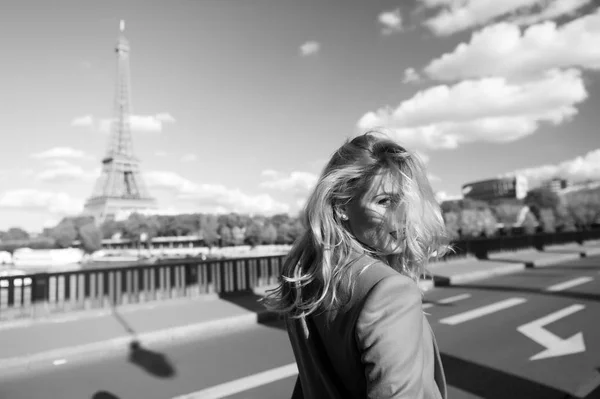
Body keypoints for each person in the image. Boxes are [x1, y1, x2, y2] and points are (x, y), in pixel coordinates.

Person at [261, 130, 449, 398]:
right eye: (385, 201)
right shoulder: (390, 290)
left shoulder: (304, 275)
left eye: (407, 203)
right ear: (341, 205)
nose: (404, 216)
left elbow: (312, 381)